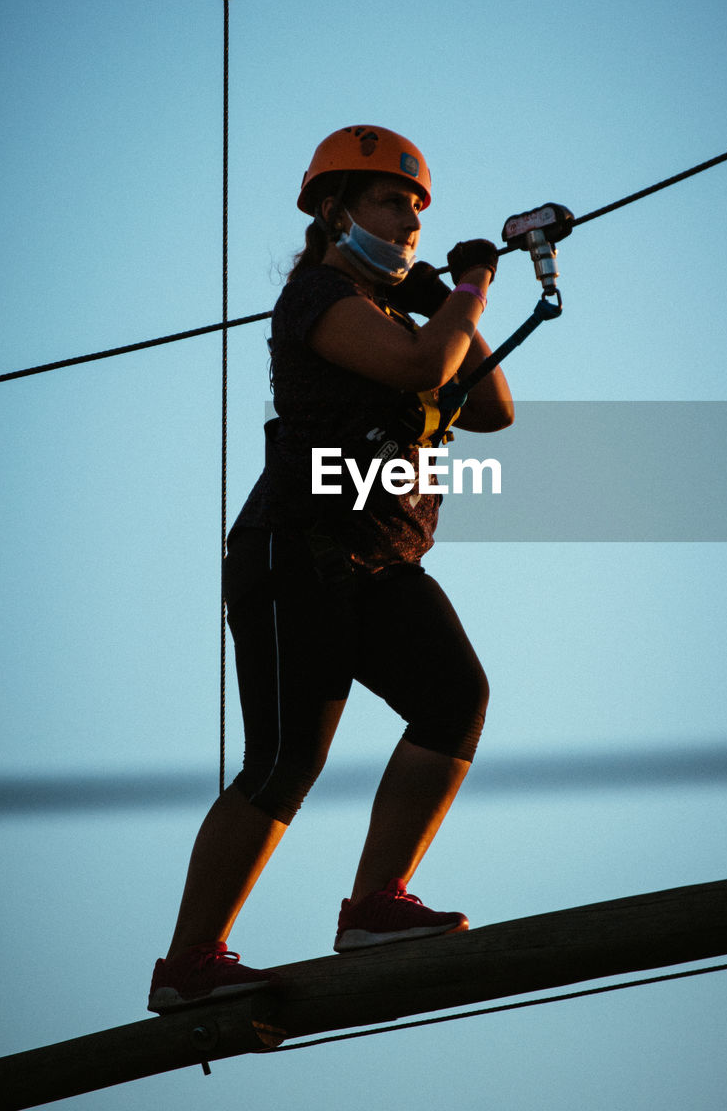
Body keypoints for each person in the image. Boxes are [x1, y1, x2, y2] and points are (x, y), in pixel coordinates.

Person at [148, 124, 513, 1013]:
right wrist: (461, 292)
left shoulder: (399, 312)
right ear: (333, 208)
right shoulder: (316, 296)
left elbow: (491, 409)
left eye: (417, 210)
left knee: (452, 697)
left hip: (382, 560)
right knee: (284, 761)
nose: (408, 223)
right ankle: (189, 963)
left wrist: (445, 298)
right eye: (393, 203)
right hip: (297, 555)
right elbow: (426, 368)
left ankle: (374, 906)